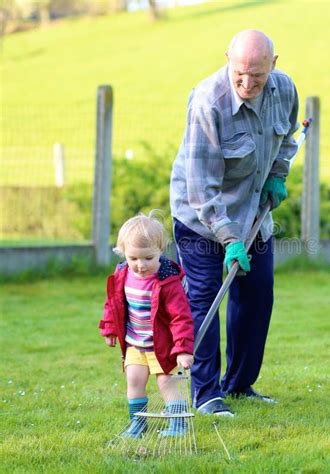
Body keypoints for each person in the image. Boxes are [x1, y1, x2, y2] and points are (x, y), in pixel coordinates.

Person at [170, 30, 299, 416]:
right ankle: (207, 393)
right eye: (240, 73)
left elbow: (288, 138)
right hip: (200, 218)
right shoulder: (209, 101)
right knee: (205, 297)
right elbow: (201, 187)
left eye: (257, 76)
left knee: (257, 294)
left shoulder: (285, 90)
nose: (247, 83)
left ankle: (240, 385)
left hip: (253, 215)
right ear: (228, 58)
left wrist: (278, 173)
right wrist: (229, 239)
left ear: (273, 66)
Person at [99, 212, 194, 437]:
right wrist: (110, 328)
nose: (140, 265)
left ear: (161, 250)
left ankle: (178, 424)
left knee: (167, 383)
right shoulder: (122, 273)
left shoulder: (167, 281)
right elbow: (113, 303)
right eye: (133, 258)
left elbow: (181, 317)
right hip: (135, 343)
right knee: (134, 380)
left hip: (162, 344)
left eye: (148, 258)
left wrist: (182, 349)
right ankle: (138, 425)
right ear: (123, 253)